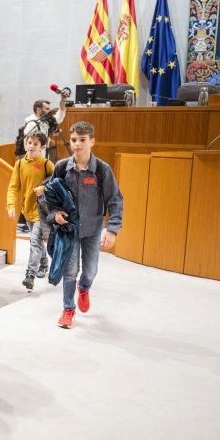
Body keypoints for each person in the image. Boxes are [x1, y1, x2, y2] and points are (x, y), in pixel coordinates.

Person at [48, 121, 123, 329]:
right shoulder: (62, 167)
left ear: (92, 142)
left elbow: (115, 200)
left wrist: (113, 229)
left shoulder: (102, 170)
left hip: (92, 230)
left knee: (89, 270)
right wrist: (55, 213)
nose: (77, 145)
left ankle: (85, 287)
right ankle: (68, 309)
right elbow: (50, 197)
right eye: (73, 140)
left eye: (82, 140)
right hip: (69, 231)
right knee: (70, 271)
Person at [6, 131, 54, 290]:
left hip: (42, 211)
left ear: (42, 147)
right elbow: (13, 187)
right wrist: (11, 205)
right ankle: (44, 263)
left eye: (35, 144)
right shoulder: (20, 164)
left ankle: (29, 275)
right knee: (38, 241)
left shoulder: (47, 164)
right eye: (29, 143)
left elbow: (58, 184)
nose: (31, 146)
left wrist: (45, 187)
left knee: (34, 241)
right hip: (27, 210)